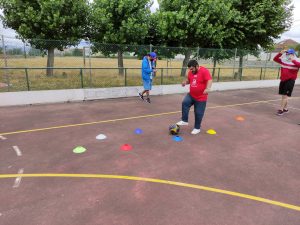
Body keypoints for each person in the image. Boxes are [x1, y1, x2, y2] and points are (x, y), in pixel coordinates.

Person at [176, 59, 213, 135]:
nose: (191, 70)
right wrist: (185, 82)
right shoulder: (190, 72)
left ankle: (197, 128)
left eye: (192, 69)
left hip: (201, 97)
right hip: (191, 95)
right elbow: (190, 80)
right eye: (190, 69)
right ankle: (184, 120)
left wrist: (208, 88)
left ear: (197, 66)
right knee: (185, 103)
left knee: (198, 113)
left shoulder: (204, 71)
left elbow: (209, 80)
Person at [273, 48, 300, 116]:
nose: (287, 54)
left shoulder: (297, 60)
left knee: (284, 96)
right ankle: (285, 109)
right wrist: (280, 53)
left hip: (290, 80)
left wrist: (293, 60)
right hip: (283, 79)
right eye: (287, 53)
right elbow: (275, 59)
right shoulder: (283, 60)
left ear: (293, 54)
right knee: (284, 96)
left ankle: (281, 110)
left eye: (289, 53)